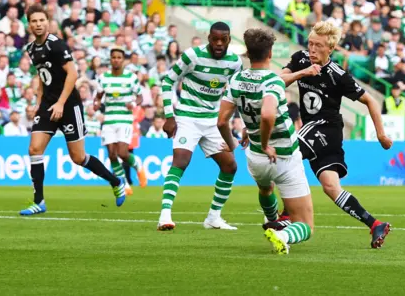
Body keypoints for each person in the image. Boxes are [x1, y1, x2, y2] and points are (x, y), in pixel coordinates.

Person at [280, 20, 392, 249]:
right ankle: (375, 224)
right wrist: (303, 73)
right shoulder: (300, 59)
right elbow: (278, 80)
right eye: (310, 43)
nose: (312, 49)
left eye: (318, 45)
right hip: (313, 129)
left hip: (327, 129)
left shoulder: (338, 75)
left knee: (286, 153)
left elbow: (370, 100)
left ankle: (284, 215)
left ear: (330, 48)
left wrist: (380, 134)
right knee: (331, 187)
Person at [20, 4, 126, 216]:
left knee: (78, 158)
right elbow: (42, 78)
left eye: (42, 20)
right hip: (48, 106)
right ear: (29, 24)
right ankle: (39, 201)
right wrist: (38, 102)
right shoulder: (31, 49)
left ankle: (116, 181)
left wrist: (60, 103)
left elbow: (73, 74)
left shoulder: (57, 45)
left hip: (68, 106)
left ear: (48, 22)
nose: (38, 24)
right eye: (34, 21)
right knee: (34, 149)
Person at [218, 28, 313, 255]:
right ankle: (282, 233)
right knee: (307, 225)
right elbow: (269, 113)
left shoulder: (236, 79)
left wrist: (233, 143)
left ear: (248, 54)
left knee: (265, 188)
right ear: (270, 53)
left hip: (255, 158)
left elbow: (222, 121)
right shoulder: (272, 80)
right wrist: (265, 142)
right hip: (282, 156)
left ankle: (272, 220)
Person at [158, 22, 242, 231]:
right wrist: (170, 115)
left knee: (230, 166)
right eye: (215, 39)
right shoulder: (192, 56)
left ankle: (213, 217)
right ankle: (164, 215)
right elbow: (168, 81)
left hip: (213, 121)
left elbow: (235, 94)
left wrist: (240, 122)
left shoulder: (235, 62)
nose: (219, 43)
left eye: (224, 39)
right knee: (181, 161)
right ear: (209, 38)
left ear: (229, 39)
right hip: (187, 117)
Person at [93, 47, 147, 195]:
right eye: (114, 57)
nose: (116, 60)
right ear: (110, 59)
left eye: (119, 57)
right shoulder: (104, 78)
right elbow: (98, 97)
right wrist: (96, 104)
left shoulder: (131, 77)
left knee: (123, 153)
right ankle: (124, 184)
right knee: (111, 154)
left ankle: (138, 166)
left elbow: (140, 96)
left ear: (123, 60)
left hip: (124, 119)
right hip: (109, 119)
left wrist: (134, 104)